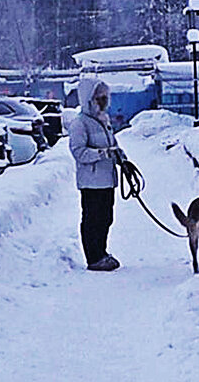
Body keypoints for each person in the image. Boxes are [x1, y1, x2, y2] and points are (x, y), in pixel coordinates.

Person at [68, 77, 125, 272]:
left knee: (106, 218)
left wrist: (122, 159)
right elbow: (78, 152)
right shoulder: (80, 124)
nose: (103, 102)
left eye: (104, 97)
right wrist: (102, 154)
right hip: (91, 182)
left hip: (107, 180)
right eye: (98, 98)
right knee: (93, 220)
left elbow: (113, 145)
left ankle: (102, 252)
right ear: (89, 99)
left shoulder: (103, 121)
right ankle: (93, 257)